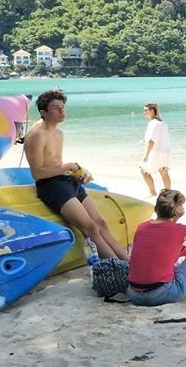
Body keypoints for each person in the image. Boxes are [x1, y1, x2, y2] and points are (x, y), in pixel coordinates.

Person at [24, 89, 128, 260]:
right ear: (43, 113)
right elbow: (37, 173)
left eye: (62, 107)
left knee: (100, 223)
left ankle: (129, 264)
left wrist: (73, 174)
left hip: (67, 182)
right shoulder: (36, 135)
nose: (61, 111)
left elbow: (54, 164)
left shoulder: (59, 134)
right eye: (56, 108)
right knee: (90, 228)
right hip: (51, 187)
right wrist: (69, 166)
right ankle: (118, 267)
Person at [139, 103, 172, 197]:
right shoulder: (162, 122)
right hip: (165, 151)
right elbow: (161, 137)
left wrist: (146, 155)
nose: (143, 112)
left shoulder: (153, 123)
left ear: (152, 111)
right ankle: (168, 193)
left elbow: (151, 141)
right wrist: (144, 140)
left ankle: (152, 192)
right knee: (164, 173)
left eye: (145, 110)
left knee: (143, 170)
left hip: (156, 152)